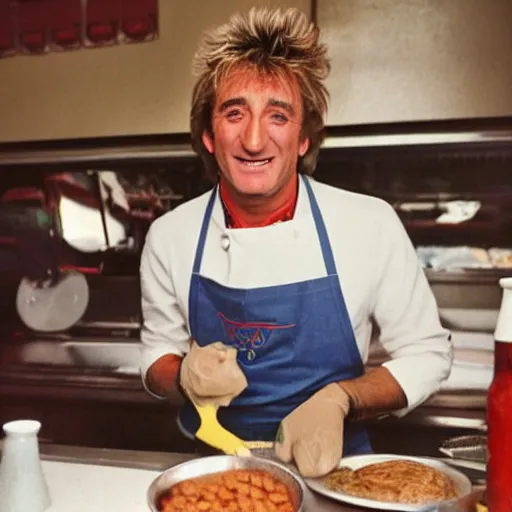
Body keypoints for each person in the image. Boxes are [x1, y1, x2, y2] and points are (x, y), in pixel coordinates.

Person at [139, 6, 453, 478]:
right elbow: (154, 355)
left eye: (278, 115)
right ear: (208, 134)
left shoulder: (368, 225)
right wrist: (183, 375)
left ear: (304, 138)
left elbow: (428, 354)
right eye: (234, 112)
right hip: (213, 473)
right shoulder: (170, 236)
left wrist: (341, 398)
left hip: (338, 472)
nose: (253, 139)